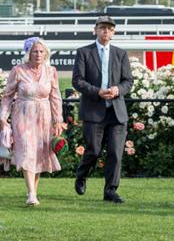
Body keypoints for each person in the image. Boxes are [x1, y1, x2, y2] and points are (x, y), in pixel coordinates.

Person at [73, 16, 134, 204]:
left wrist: (118, 90)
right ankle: (81, 175)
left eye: (109, 28)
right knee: (93, 150)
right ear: (95, 30)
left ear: (114, 32)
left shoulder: (120, 54)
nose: (106, 31)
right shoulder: (84, 52)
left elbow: (128, 81)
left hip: (116, 112)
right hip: (94, 111)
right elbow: (78, 81)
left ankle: (110, 191)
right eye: (102, 28)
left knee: (116, 153)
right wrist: (97, 92)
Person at [0, 37, 65, 206]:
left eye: (41, 51)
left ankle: (33, 192)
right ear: (28, 53)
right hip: (22, 114)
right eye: (34, 51)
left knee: (39, 152)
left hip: (44, 116)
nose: (38, 54)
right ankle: (31, 193)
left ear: (46, 54)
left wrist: (58, 120)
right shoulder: (18, 70)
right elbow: (7, 96)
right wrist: (2, 117)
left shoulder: (51, 71)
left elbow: (56, 97)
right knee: (27, 149)